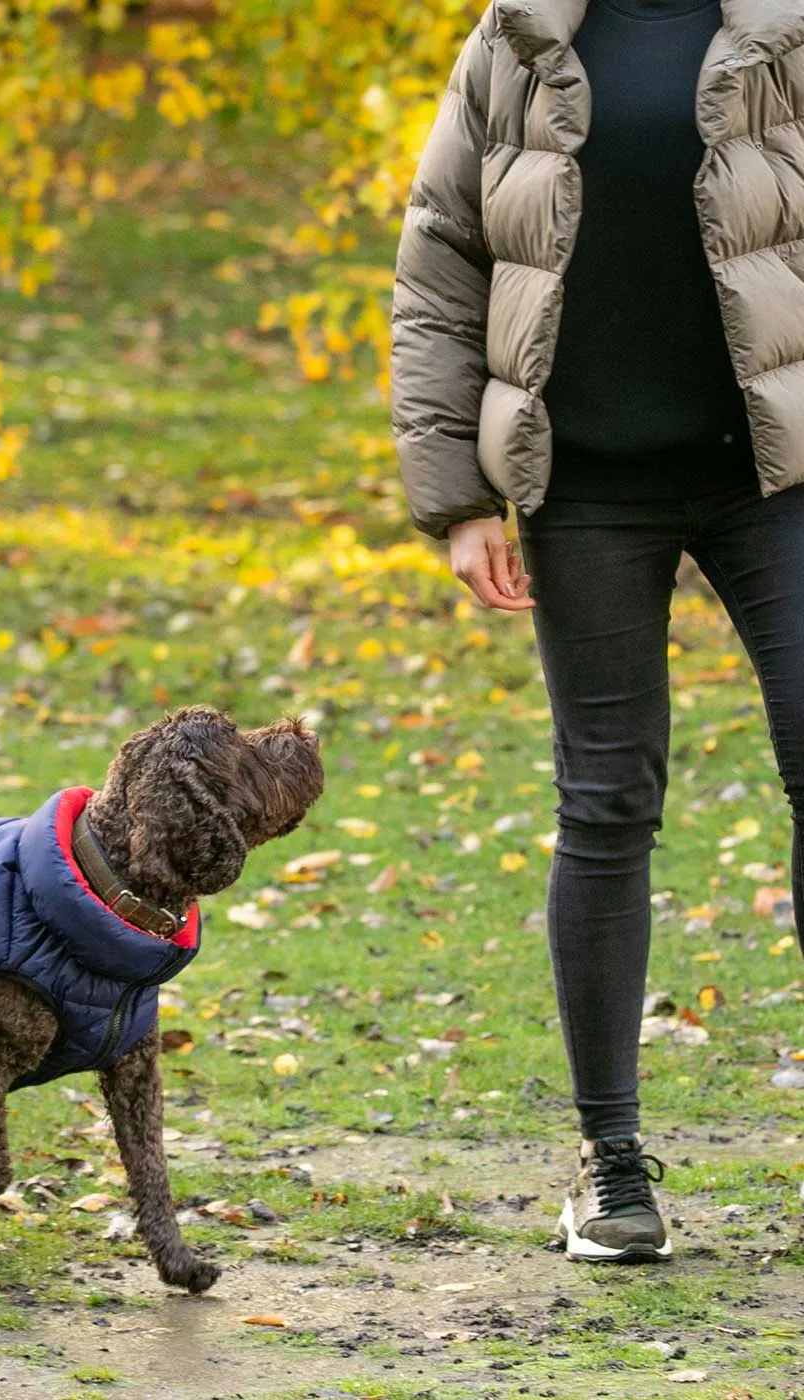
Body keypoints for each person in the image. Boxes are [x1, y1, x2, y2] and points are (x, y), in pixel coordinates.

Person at [389, 0, 804, 1261]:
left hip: (773, 479)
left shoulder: (783, 29)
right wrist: (456, 496)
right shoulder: (513, 41)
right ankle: (610, 1164)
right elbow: (439, 262)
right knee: (607, 802)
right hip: (583, 490)